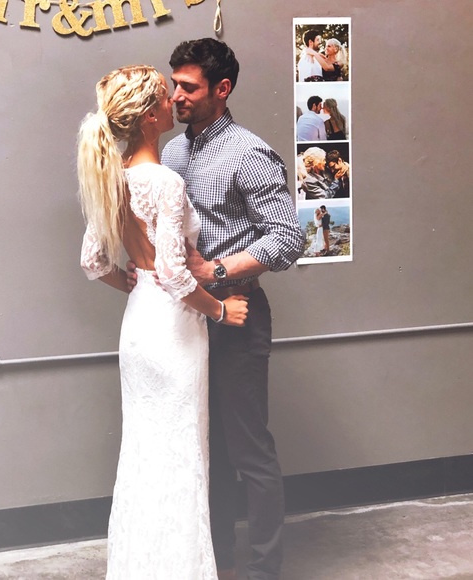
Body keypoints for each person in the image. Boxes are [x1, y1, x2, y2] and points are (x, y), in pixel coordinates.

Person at [130, 38, 305, 580]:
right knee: (206, 446)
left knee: (248, 449)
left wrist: (217, 272)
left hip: (237, 314)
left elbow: (288, 239)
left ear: (222, 89)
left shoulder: (249, 153)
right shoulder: (171, 154)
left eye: (188, 87)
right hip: (185, 320)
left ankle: (264, 570)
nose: (175, 95)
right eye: (174, 85)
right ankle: (218, 561)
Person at [78, 64, 249, 579]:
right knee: (181, 454)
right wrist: (221, 310)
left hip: (138, 326)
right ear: (149, 118)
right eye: (162, 96)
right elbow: (175, 275)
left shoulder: (113, 177)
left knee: (143, 453)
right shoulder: (166, 181)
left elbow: (93, 262)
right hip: (173, 332)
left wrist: (133, 279)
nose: (173, 100)